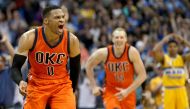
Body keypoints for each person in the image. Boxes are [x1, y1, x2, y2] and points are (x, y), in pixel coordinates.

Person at [11, 5, 80, 109]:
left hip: (62, 85)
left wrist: (72, 90)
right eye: (57, 17)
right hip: (36, 84)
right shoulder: (30, 37)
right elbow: (15, 67)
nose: (62, 20)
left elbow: (75, 69)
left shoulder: (72, 40)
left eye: (63, 17)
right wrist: (20, 81)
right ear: (46, 21)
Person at [86, 28, 147, 109]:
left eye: (121, 37)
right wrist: (93, 86)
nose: (119, 40)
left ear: (126, 39)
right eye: (117, 37)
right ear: (112, 39)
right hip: (111, 92)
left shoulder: (132, 52)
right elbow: (88, 65)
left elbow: (143, 75)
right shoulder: (104, 53)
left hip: (128, 92)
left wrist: (127, 91)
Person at [153, 33, 190, 109]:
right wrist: (163, 41)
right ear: (167, 48)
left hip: (181, 90)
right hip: (169, 91)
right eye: (170, 46)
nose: (172, 48)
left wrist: (183, 41)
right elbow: (155, 51)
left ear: (177, 48)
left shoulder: (182, 58)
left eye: (174, 46)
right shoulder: (164, 59)